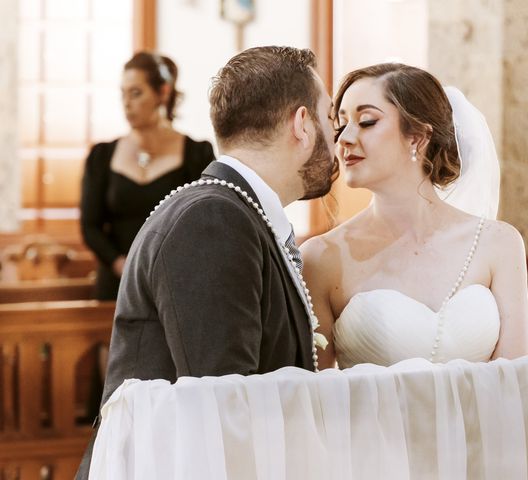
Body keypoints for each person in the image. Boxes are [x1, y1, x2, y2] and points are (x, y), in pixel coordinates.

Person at [75, 45, 337, 479]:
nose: (339, 135)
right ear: (303, 124)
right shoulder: (213, 220)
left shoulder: (237, 212)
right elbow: (224, 411)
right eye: (331, 117)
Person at [301, 63, 528, 369]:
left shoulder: (499, 244)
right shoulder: (321, 258)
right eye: (342, 124)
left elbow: (517, 381)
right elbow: (317, 394)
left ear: (417, 137)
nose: (345, 138)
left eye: (367, 121)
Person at [80, 51, 214, 300]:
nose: (126, 103)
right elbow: (90, 225)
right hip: (116, 286)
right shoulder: (102, 155)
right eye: (123, 93)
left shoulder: (198, 154)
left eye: (136, 93)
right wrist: (121, 264)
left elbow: (206, 222)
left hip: (176, 283)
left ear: (163, 92)